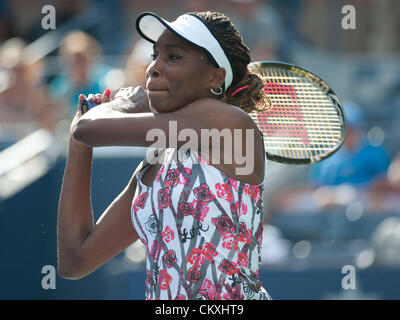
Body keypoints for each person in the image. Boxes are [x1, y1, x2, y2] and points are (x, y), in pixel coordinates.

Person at [57, 11, 271, 300]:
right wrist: (77, 140)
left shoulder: (229, 121)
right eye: (155, 55)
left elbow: (90, 128)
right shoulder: (158, 159)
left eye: (173, 57)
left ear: (215, 76)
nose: (152, 68)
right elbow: (76, 260)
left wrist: (127, 104)